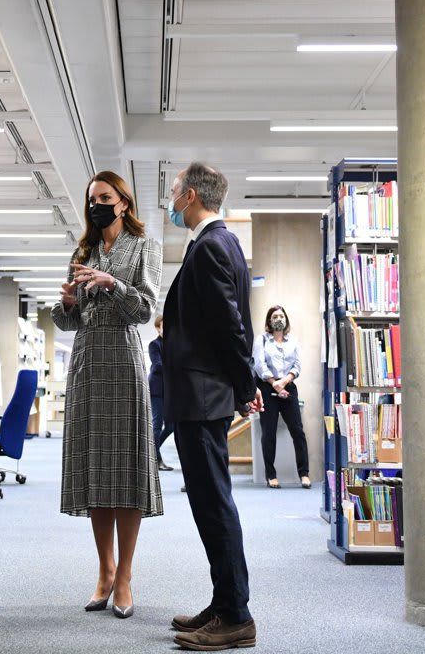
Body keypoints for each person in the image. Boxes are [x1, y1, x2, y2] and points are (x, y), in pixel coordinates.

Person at [52, 170, 163, 620]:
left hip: (123, 356)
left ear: (123, 202)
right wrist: (69, 304)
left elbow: (145, 308)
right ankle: (104, 568)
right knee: (97, 467)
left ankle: (125, 576)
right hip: (87, 362)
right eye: (91, 198)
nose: (97, 204)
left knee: (125, 470)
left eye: (105, 196)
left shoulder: (144, 247)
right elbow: (66, 323)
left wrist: (111, 283)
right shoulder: (82, 251)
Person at [161, 162, 261, 651]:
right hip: (203, 393)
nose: (172, 197)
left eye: (175, 190)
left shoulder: (210, 247)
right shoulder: (218, 243)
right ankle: (224, 603)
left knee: (215, 504)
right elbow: (228, 321)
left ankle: (236, 615)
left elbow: (230, 327)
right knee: (208, 503)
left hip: (203, 398)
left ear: (192, 194)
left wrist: (246, 386)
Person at [253, 306, 310, 489]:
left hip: (288, 387)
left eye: (281, 316)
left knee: (298, 431)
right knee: (268, 433)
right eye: (275, 316)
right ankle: (271, 475)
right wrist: (274, 383)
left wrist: (284, 382)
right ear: (269, 321)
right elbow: (259, 365)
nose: (278, 318)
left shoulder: (292, 342)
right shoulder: (261, 340)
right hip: (268, 388)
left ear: (286, 319)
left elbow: (297, 365)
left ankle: (304, 474)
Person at [148, 315, 173, 471]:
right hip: (157, 388)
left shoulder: (174, 344)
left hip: (170, 389)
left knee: (171, 426)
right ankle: (156, 459)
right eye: (164, 326)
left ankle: (151, 452)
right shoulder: (154, 344)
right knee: (157, 424)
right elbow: (157, 366)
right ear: (158, 328)